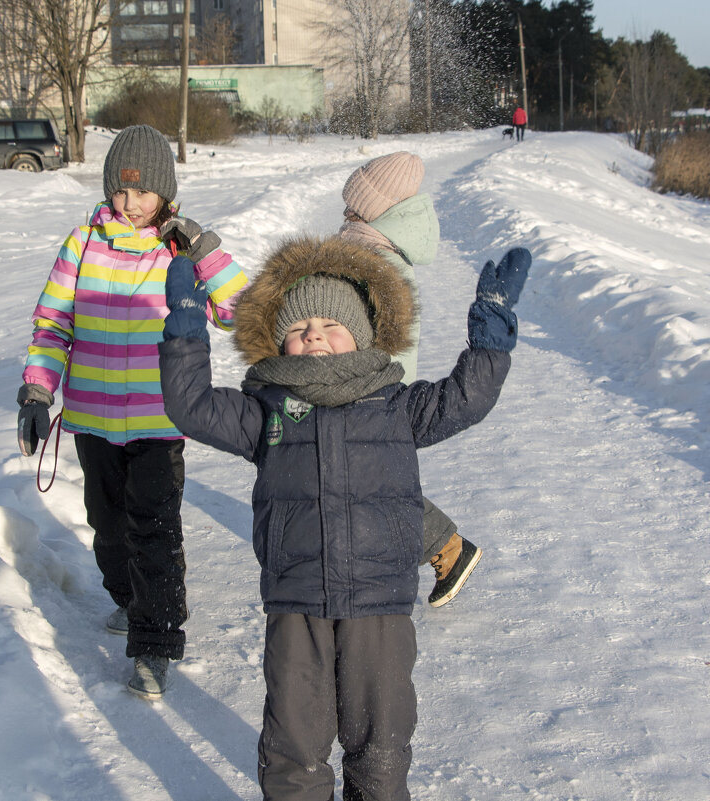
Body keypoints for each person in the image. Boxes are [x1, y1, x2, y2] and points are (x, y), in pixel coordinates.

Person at [158, 234, 531, 800]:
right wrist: (185, 333)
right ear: (278, 342)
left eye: (330, 325)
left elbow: (467, 398)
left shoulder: (397, 406)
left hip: (379, 604)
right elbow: (192, 406)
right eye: (300, 327)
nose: (314, 334)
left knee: (380, 745)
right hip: (297, 602)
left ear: (361, 336)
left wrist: (491, 334)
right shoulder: (265, 411)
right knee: (293, 747)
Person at [15, 124, 248, 700]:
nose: (130, 204)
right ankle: (129, 599)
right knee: (108, 526)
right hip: (92, 417)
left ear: (164, 192)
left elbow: (239, 310)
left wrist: (205, 251)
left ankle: (155, 643)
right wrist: (38, 392)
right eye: (120, 192)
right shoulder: (82, 243)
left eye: (143, 193)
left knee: (154, 530)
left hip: (159, 418)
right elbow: (53, 324)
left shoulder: (181, 249)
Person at [338, 151, 481, 607]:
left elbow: (383, 341)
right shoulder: (366, 249)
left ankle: (447, 547)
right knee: (363, 481)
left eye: (355, 205)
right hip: (359, 384)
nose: (346, 212)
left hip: (373, 390)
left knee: (371, 483)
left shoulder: (382, 264)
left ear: (378, 211)